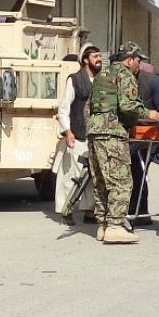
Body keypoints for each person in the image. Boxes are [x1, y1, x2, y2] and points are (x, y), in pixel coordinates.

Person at [85, 42, 159, 244]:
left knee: (101, 181)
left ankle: (103, 225)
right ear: (130, 59)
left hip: (95, 132)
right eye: (138, 60)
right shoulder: (125, 75)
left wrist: (92, 128)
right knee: (121, 181)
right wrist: (149, 113)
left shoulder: (102, 75)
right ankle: (115, 226)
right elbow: (128, 106)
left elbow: (88, 106)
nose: (139, 65)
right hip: (112, 134)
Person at [55, 44, 101, 219]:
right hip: (77, 134)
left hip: (94, 136)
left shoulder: (101, 80)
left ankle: (89, 211)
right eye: (95, 56)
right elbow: (64, 108)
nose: (99, 59)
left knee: (93, 175)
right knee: (71, 175)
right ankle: (66, 210)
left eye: (99, 56)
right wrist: (67, 131)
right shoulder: (74, 80)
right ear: (85, 60)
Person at [129, 58, 159, 220]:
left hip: (145, 136)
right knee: (131, 173)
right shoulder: (118, 79)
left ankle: (138, 212)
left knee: (138, 172)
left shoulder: (153, 82)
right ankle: (136, 211)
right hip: (126, 134)